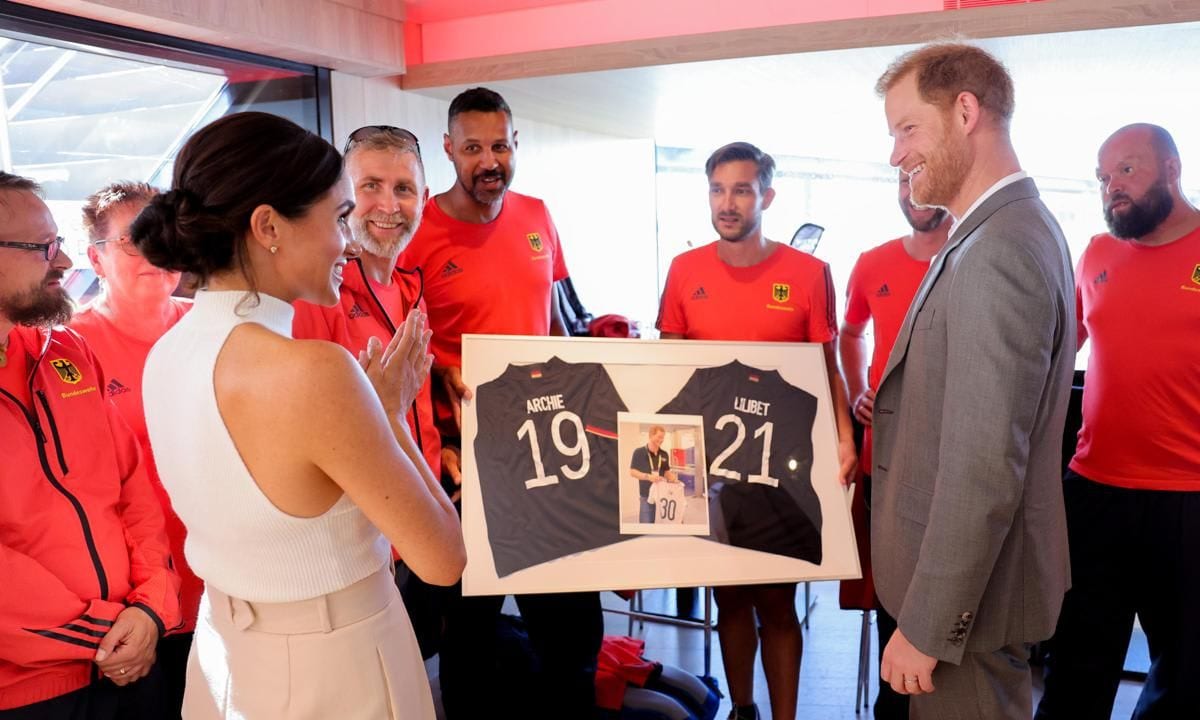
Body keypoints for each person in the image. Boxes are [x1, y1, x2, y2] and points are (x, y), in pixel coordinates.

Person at [135, 111, 465, 719]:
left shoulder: (167, 353)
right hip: (333, 662)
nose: (349, 239)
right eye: (339, 216)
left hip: (222, 655)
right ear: (269, 227)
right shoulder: (315, 371)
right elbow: (444, 560)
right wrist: (390, 413)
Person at [872, 43, 1075, 718]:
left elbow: (985, 464)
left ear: (965, 111)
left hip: (968, 615)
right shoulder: (989, 233)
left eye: (906, 129)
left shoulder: (1000, 249)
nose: (896, 154)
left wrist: (928, 626)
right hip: (971, 596)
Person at [399, 87, 598, 718]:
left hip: (549, 451)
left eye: (502, 146)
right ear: (450, 150)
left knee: (570, 624)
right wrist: (442, 370)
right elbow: (402, 347)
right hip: (467, 459)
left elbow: (558, 326)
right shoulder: (418, 233)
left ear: (517, 147)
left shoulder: (539, 215)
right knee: (471, 629)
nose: (491, 161)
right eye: (476, 148)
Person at [656, 141, 857, 720]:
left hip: (780, 463)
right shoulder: (683, 271)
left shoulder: (809, 273)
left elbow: (826, 366)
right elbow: (668, 373)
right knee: (729, 597)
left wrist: (843, 436)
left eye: (741, 190)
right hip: (707, 465)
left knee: (777, 600)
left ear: (766, 196)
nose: (727, 202)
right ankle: (743, 709)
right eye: (717, 189)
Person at [0, 172, 181, 718]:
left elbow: (131, 490)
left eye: (57, 245)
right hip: (31, 688)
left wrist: (151, 607)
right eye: (41, 247)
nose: (61, 263)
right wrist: (110, 631)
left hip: (131, 656)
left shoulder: (66, 350)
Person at [1035, 123, 1200, 720]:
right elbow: (1055, 352)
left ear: (1172, 169)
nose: (1112, 189)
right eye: (1104, 178)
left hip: (1188, 498)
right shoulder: (1098, 255)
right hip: (1096, 489)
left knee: (1183, 674)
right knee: (1076, 660)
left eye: (1126, 171)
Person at [291, 126, 446, 658]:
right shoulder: (319, 295)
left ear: (424, 199)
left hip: (415, 526)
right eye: (371, 186)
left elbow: (404, 407)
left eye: (403, 189)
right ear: (342, 197)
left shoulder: (410, 288)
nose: (388, 205)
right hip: (356, 549)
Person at [69, 182, 197, 718]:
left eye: (164, 235)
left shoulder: (214, 329)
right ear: (96, 259)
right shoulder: (68, 350)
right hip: (132, 603)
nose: (155, 250)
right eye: (132, 240)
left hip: (222, 581)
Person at [837, 172, 949, 719]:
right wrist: (859, 388)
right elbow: (851, 331)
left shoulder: (973, 256)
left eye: (924, 181)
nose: (914, 193)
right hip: (885, 457)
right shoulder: (873, 261)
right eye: (904, 182)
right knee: (892, 594)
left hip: (953, 463)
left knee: (949, 588)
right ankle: (894, 702)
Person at [629, 425, 678, 523]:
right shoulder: (638, 452)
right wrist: (648, 477)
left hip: (662, 495)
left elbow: (666, 472)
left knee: (661, 525)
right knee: (646, 526)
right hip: (646, 496)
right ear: (651, 436)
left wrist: (672, 477)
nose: (661, 440)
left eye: (663, 437)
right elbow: (632, 472)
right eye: (659, 437)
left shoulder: (664, 454)